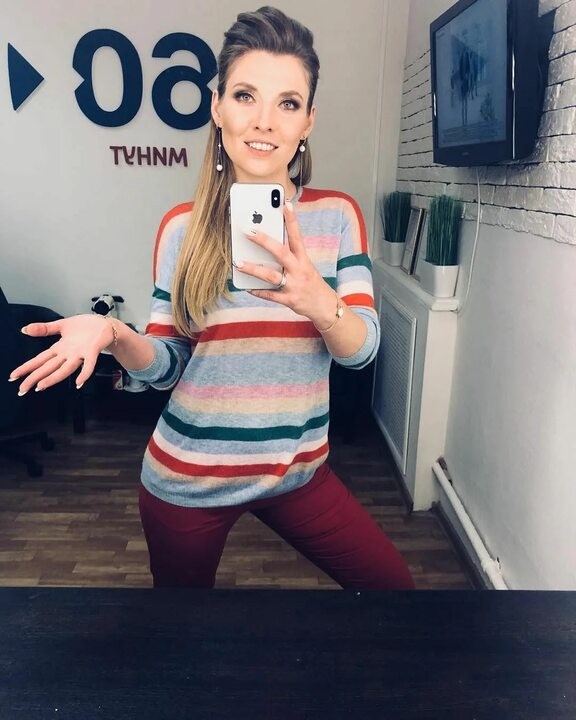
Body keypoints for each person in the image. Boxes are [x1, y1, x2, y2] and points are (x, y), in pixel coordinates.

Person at [9, 6, 414, 591]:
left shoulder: (337, 217)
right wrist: (115, 335)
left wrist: (317, 301)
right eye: (246, 96)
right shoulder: (183, 228)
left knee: (395, 593)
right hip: (188, 478)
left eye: (288, 103)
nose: (265, 121)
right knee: (181, 631)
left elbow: (362, 352)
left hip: (297, 475)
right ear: (217, 106)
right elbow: (166, 367)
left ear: (308, 121)